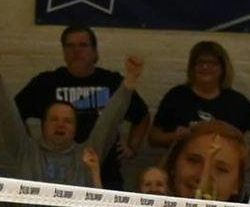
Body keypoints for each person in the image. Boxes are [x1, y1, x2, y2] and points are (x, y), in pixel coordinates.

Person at [0, 47, 139, 207]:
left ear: (75, 128)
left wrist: (129, 81)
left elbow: (110, 120)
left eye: (67, 121)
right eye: (54, 119)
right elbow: (7, 116)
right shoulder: (26, 150)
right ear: (43, 124)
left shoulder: (88, 154)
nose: (60, 125)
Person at [12, 25, 149, 188]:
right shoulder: (46, 82)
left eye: (83, 45)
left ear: (95, 51)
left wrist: (132, 148)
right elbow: (14, 114)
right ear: (63, 51)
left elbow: (142, 115)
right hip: (55, 172)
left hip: (105, 170)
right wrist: (30, 149)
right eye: (70, 46)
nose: (76, 50)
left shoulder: (111, 81)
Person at [148, 40, 250, 161]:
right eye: (200, 62)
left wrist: (249, 161)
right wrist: (175, 136)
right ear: (192, 67)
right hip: (182, 170)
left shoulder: (235, 101)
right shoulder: (177, 96)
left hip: (223, 172)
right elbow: (153, 138)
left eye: (213, 63)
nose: (205, 67)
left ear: (223, 68)